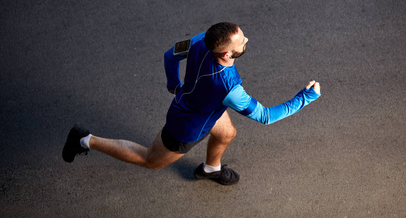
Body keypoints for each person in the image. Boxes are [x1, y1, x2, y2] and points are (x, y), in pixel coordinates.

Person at [63, 22, 321, 185]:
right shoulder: (229, 87)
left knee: (228, 132)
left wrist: (173, 84)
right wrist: (306, 97)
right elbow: (265, 116)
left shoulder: (201, 39)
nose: (247, 40)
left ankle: (210, 169)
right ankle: (85, 139)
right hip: (188, 126)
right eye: (242, 41)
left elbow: (169, 55)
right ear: (226, 53)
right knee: (150, 159)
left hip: (201, 104)